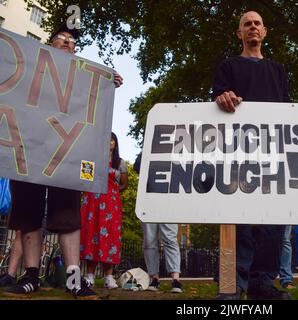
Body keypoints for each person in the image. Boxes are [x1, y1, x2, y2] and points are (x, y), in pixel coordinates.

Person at [5, 24, 123, 298]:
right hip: (29, 150)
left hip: (66, 155)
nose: (69, 44)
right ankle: (31, 276)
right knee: (28, 213)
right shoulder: (32, 70)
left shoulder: (82, 79)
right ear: (48, 45)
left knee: (68, 215)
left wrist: (107, 81)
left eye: (73, 42)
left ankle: (73, 279)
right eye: (63, 39)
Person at [212, 11, 290, 300]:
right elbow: (218, 100)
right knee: (238, 219)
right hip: (236, 153)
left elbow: (286, 112)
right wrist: (222, 99)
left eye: (258, 23)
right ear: (239, 33)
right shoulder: (228, 66)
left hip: (271, 154)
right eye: (247, 24)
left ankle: (262, 284)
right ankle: (232, 283)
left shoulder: (278, 70)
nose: (253, 27)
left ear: (265, 31)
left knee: (273, 220)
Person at [81, 132, 128, 289]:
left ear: (115, 143)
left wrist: (111, 192)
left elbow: (124, 184)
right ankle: (90, 276)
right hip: (92, 203)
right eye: (106, 139)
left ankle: (109, 277)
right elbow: (84, 178)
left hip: (110, 205)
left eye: (112, 140)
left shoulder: (120, 162)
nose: (109, 142)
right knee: (92, 235)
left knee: (111, 237)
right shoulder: (91, 159)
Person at [133, 153, 183, 293]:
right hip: (149, 199)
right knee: (149, 240)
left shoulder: (176, 151)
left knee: (170, 238)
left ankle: (176, 279)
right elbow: (137, 167)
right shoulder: (147, 149)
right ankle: (154, 277)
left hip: (169, 199)